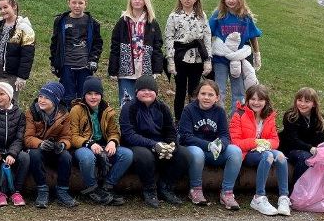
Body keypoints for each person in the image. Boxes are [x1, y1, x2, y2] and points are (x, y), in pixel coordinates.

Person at [118, 75, 186, 208]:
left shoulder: (162, 107)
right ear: (136, 92)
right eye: (142, 90)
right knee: (145, 156)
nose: (147, 92)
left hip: (160, 144)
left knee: (183, 154)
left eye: (150, 89)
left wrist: (171, 144)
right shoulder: (129, 107)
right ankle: (149, 190)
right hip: (136, 144)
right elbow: (129, 134)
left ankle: (166, 187)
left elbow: (170, 130)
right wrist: (154, 145)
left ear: (156, 92)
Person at [178, 79, 243, 209]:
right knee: (197, 153)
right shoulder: (189, 110)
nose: (206, 97)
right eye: (203, 94)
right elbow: (186, 137)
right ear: (197, 95)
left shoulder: (219, 112)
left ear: (217, 98)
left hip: (215, 151)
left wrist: (221, 145)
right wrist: (208, 145)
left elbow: (225, 135)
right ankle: (195, 189)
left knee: (235, 151)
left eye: (210, 94)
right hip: (196, 150)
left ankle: (227, 192)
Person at [68, 77, 132, 206]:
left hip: (103, 145)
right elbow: (73, 136)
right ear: (84, 95)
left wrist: (113, 141)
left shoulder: (107, 110)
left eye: (97, 94)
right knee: (87, 157)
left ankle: (107, 186)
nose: (93, 97)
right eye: (89, 94)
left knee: (126, 154)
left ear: (101, 95)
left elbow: (114, 132)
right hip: (83, 146)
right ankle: (92, 188)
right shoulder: (76, 110)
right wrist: (89, 143)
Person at [229, 85, 290, 216]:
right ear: (247, 99)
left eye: (260, 99)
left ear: (266, 101)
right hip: (247, 153)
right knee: (268, 156)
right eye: (253, 99)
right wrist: (255, 142)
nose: (256, 103)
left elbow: (275, 140)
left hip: (263, 149)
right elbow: (236, 142)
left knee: (280, 156)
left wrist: (267, 143)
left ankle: (284, 197)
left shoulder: (268, 116)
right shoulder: (239, 115)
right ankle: (258, 197)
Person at [209, 0, 262, 113]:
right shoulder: (219, 14)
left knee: (238, 92)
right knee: (219, 90)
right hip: (220, 59)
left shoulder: (245, 17)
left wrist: (257, 54)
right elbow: (207, 33)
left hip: (238, 59)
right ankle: (218, 120)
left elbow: (253, 36)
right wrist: (207, 53)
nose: (231, 0)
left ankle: (236, 122)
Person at [108, 0, 163, 104]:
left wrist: (157, 68)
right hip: (126, 72)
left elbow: (157, 46)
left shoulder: (152, 23)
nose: (137, 1)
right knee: (126, 103)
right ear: (130, 1)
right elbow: (115, 46)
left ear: (145, 1)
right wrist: (113, 69)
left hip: (145, 71)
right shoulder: (122, 21)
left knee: (144, 104)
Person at [24, 82, 76, 208]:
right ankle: (42, 190)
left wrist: (62, 145)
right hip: (39, 147)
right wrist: (41, 143)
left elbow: (67, 137)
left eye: (46, 98)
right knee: (34, 154)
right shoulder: (31, 112)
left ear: (55, 100)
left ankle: (62, 190)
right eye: (41, 96)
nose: (42, 100)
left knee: (66, 156)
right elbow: (28, 138)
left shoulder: (64, 114)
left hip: (55, 149)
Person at [164, 0, 212, 120]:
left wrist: (207, 60)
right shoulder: (174, 16)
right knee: (180, 90)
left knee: (194, 91)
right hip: (180, 57)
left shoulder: (201, 16)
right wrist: (170, 61)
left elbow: (207, 38)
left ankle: (193, 119)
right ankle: (178, 120)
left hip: (196, 58)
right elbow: (169, 38)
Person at [50, 0, 103, 104]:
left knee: (84, 97)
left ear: (86, 4)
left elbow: (97, 44)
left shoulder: (92, 23)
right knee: (67, 97)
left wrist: (94, 59)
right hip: (66, 65)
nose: (77, 6)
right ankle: (68, 120)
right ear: (68, 3)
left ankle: (83, 120)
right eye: (74, 2)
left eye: (80, 3)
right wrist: (54, 62)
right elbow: (55, 43)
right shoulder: (61, 21)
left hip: (85, 66)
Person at [0, 0, 35, 104]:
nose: (2, 10)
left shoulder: (24, 28)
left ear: (14, 6)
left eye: (5, 7)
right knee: (0, 96)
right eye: (0, 8)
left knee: (11, 99)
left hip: (13, 71)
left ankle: (12, 119)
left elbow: (27, 55)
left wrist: (22, 76)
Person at [0, 81, 30, 207]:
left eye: (2, 94)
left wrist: (12, 153)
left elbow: (19, 138)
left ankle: (16, 191)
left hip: (12, 149)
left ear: (9, 95)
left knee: (25, 157)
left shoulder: (19, 114)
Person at [279, 87, 324, 188]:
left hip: (310, 148)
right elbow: (293, 140)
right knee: (304, 157)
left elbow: (321, 137)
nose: (302, 104)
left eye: (307, 101)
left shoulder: (319, 117)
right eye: (299, 100)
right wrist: (310, 148)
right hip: (291, 149)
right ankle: (295, 190)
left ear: (314, 104)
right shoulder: (290, 116)